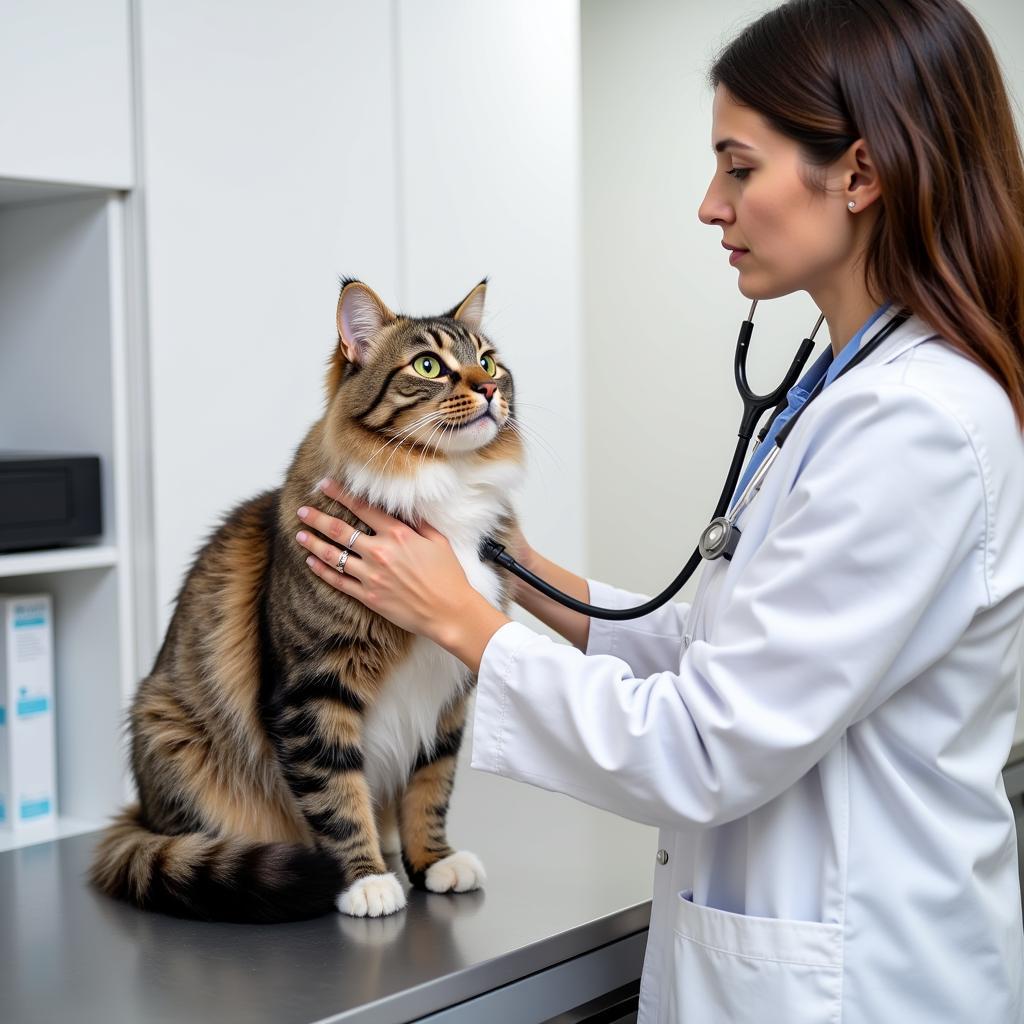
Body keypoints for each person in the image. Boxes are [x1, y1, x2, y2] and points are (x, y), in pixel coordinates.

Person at [293, 0, 1024, 1019]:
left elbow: (705, 744)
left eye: (737, 166)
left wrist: (458, 617)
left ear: (859, 174)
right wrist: (518, 570)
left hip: (863, 980)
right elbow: (716, 644)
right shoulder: (846, 392)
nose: (708, 207)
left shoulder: (919, 424)